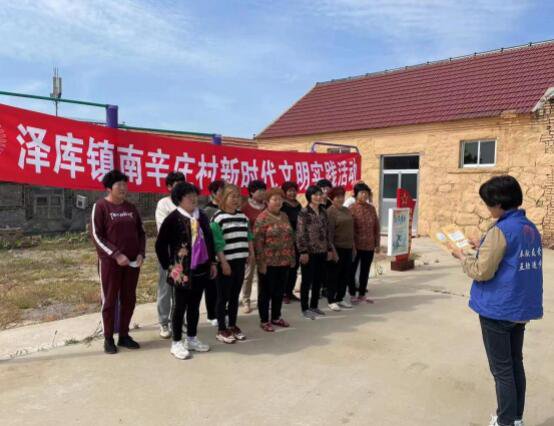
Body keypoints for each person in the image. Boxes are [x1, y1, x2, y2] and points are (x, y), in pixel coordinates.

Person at [449, 176, 543, 426]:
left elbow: (482, 270)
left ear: (499, 203)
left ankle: (505, 421)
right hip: (520, 308)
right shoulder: (529, 227)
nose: (488, 208)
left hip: (499, 309)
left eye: (488, 203)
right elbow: (510, 254)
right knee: (515, 364)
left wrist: (463, 257)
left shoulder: (500, 230)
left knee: (502, 370)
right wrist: (482, 244)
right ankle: (516, 418)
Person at [155, 182, 217, 360]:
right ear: (179, 199)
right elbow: (160, 245)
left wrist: (212, 263)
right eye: (188, 196)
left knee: (195, 306)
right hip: (181, 271)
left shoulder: (201, 216)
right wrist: (168, 266)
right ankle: (176, 342)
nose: (193, 199)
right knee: (179, 307)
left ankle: (191, 338)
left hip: (201, 268)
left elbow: (209, 240)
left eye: (194, 195)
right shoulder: (173, 218)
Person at [90, 170, 146, 355]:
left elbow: (141, 233)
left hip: (132, 263)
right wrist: (116, 255)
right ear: (109, 188)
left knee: (129, 299)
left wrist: (141, 253)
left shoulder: (131, 208)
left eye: (124, 184)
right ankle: (108, 338)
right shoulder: (101, 206)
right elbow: (96, 236)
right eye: (119, 185)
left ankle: (124, 335)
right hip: (110, 263)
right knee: (110, 300)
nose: (123, 188)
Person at [210, 184, 255, 343]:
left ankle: (233, 325)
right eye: (232, 196)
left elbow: (248, 236)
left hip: (240, 261)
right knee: (223, 297)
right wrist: (223, 263)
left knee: (235, 296)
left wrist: (250, 253)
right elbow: (217, 244)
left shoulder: (242, 217)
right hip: (226, 263)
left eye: (238, 196)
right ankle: (222, 329)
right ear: (223, 198)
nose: (236, 199)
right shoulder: (218, 218)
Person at [254, 188, 295, 332]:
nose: (278, 202)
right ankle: (264, 320)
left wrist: (292, 257)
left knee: (279, 291)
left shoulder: (284, 215)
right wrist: (261, 263)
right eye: (274, 199)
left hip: (284, 261)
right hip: (268, 262)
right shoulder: (262, 218)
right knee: (266, 292)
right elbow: (258, 242)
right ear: (267, 201)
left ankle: (276, 316)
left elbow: (290, 237)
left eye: (280, 199)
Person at [155, 171, 186, 339]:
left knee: (181, 286)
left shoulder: (187, 202)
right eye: (177, 184)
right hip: (168, 253)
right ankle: (164, 322)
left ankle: (179, 320)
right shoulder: (164, 204)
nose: (181, 187)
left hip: (184, 253)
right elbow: (164, 229)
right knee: (166, 287)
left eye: (183, 183)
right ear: (169, 187)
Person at [296, 185, 334, 320]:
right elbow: (300, 233)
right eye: (315, 195)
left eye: (320, 194)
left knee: (318, 279)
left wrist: (329, 249)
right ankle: (305, 308)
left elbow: (327, 231)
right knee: (307, 281)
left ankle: (314, 306)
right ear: (309, 196)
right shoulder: (304, 212)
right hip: (309, 252)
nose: (318, 197)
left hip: (322, 250)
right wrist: (303, 251)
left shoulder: (323, 211)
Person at [349, 182, 380, 304]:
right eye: (362, 193)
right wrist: (352, 245)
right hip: (356, 246)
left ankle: (362, 294)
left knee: (365, 271)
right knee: (352, 271)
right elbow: (350, 229)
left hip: (369, 245)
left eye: (366, 193)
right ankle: (352, 294)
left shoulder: (371, 208)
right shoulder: (351, 208)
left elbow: (376, 227)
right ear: (356, 194)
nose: (364, 195)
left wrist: (377, 244)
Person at [240, 180, 267, 313]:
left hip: (266, 246)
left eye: (263, 190)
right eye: (259, 191)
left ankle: (263, 300)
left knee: (264, 273)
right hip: (250, 245)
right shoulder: (245, 208)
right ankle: (246, 300)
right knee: (248, 274)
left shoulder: (267, 206)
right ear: (251, 192)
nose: (262, 193)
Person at [201, 179, 226, 326]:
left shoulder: (229, 209)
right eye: (222, 191)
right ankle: (212, 314)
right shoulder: (207, 211)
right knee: (212, 285)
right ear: (213, 193)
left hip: (227, 251)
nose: (225, 194)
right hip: (213, 252)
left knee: (224, 285)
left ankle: (222, 311)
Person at [326, 186, 355, 311]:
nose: (340, 199)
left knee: (345, 274)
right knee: (334, 275)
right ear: (332, 198)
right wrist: (333, 251)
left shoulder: (346, 210)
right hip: (336, 248)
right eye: (337, 197)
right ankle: (331, 300)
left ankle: (340, 298)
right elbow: (329, 234)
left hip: (348, 247)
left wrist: (353, 247)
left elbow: (351, 230)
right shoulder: (330, 212)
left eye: (342, 196)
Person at [281, 181, 302, 304]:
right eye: (289, 191)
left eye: (294, 191)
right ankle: (283, 293)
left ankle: (290, 292)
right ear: (284, 192)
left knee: (295, 267)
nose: (292, 193)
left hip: (298, 240)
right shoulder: (282, 205)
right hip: (287, 240)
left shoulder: (298, 205)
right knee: (286, 267)